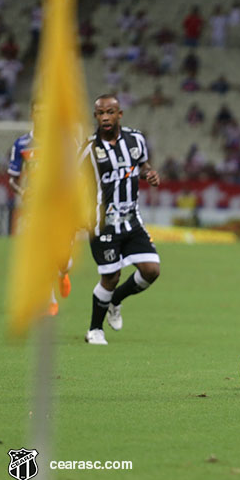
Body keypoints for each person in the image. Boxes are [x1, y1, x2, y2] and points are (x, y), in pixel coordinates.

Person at [78, 95, 161, 345]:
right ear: (95, 116)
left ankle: (116, 300)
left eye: (110, 112)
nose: (105, 117)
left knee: (151, 270)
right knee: (110, 277)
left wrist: (149, 174)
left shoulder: (135, 139)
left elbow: (142, 164)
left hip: (131, 219)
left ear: (120, 114)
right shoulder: (88, 149)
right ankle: (94, 330)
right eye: (101, 113)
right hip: (102, 222)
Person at [8, 102, 71, 316]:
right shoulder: (22, 144)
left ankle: (63, 272)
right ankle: (50, 300)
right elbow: (12, 179)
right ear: (32, 114)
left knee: (64, 258)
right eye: (38, 112)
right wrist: (22, 191)